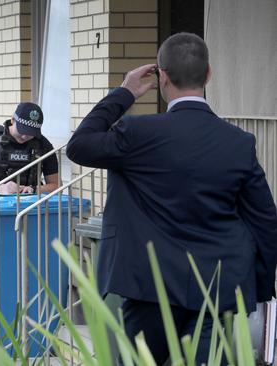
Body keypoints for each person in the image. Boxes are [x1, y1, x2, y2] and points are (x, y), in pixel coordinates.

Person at [67, 32, 277, 364]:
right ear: (208, 75)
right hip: (219, 287)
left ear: (162, 77)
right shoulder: (239, 142)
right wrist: (259, 290)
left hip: (148, 286)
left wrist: (124, 92)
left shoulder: (136, 134)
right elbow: (265, 221)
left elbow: (80, 145)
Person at [0, 102, 59, 194]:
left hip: (30, 203)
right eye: (22, 130)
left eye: (31, 133)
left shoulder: (42, 144)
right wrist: (0, 188)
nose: (25, 136)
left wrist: (34, 189)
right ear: (13, 120)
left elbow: (56, 186)